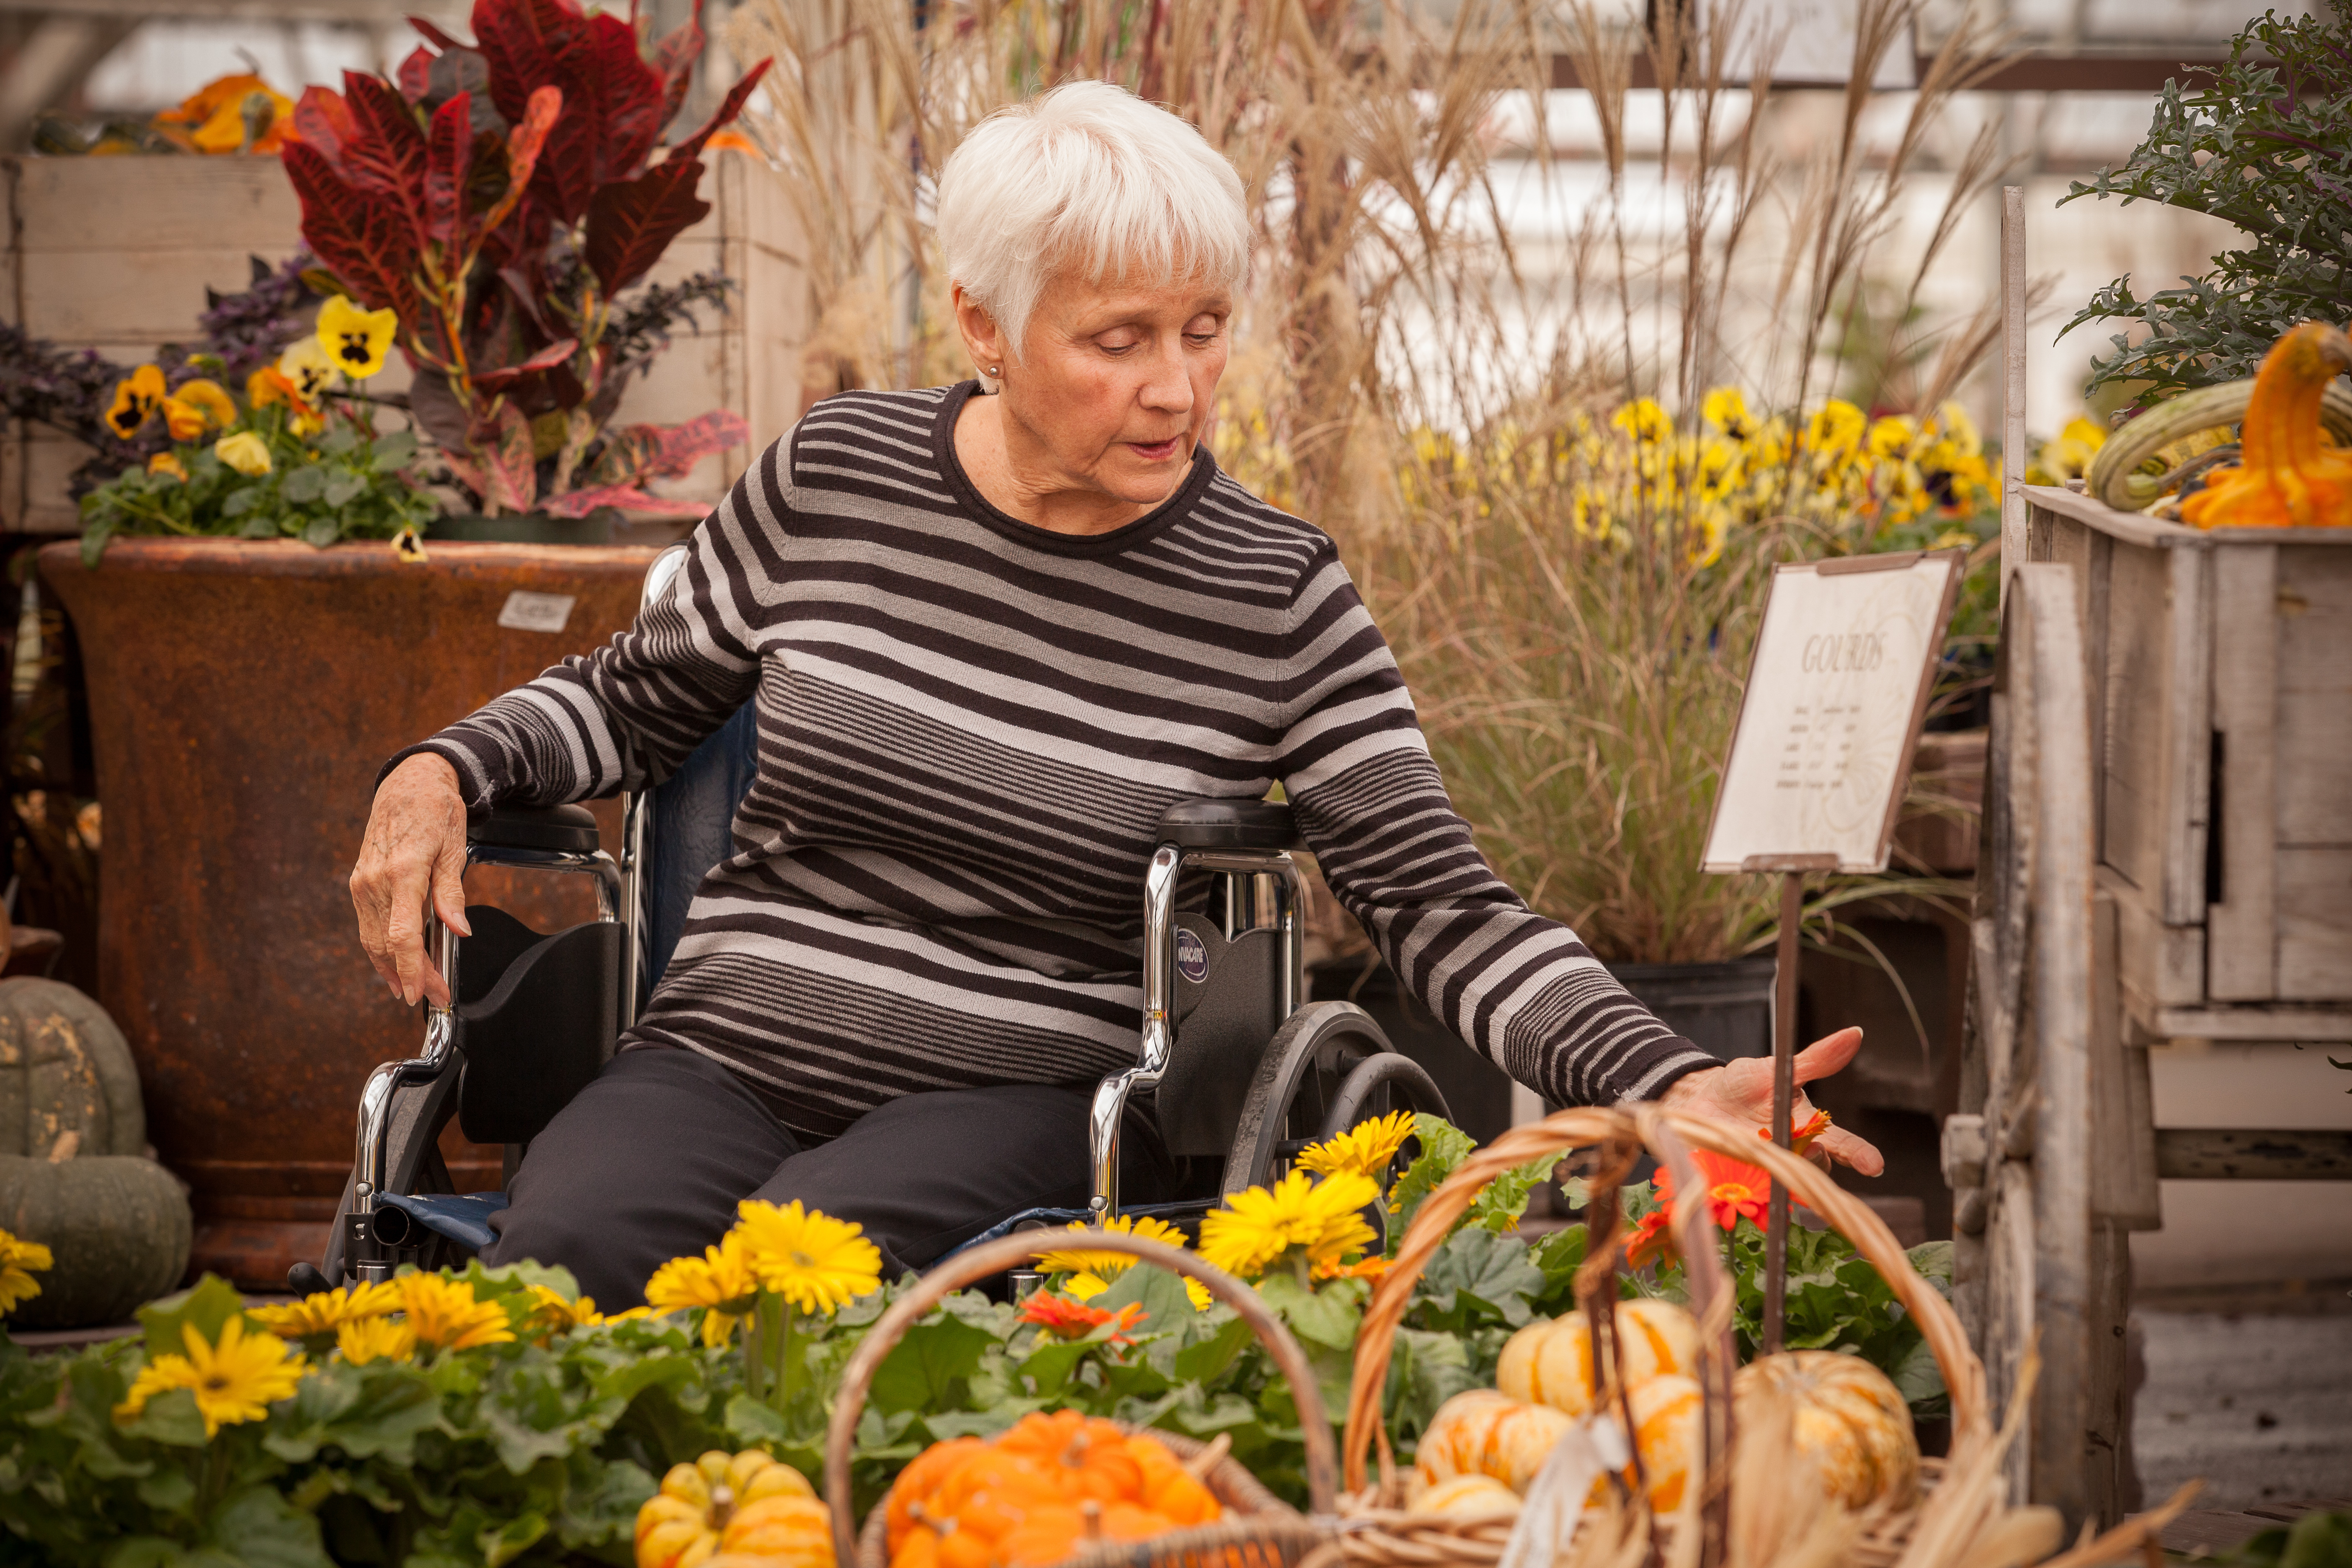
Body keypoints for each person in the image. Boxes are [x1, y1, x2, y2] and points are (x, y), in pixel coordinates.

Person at [351, 80, 1882, 1310]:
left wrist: (1668, 1076)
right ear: (984, 327)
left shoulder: (1276, 595)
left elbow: (1443, 909)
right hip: (727, 1051)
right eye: (1119, 341)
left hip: (1018, 1090)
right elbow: (633, 706)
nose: (1178, 388)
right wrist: (441, 773)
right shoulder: (836, 480)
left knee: (789, 1279)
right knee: (570, 1265)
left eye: (1205, 332)